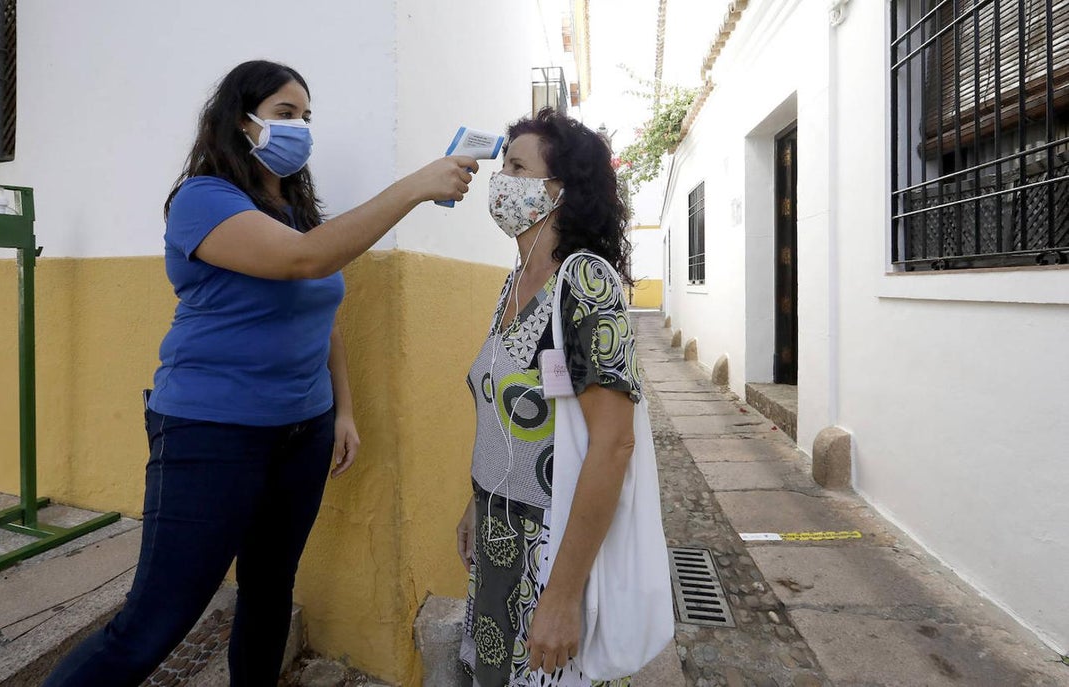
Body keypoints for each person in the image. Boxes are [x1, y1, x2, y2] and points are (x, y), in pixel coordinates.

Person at [43, 60, 476, 687]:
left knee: (270, 589)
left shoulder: (299, 212)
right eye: (284, 113)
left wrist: (343, 411)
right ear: (240, 121)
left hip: (302, 433)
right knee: (154, 623)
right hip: (210, 434)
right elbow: (303, 263)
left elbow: (324, 318)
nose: (300, 127)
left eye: (306, 116)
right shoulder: (203, 200)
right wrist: (413, 186)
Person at [456, 107, 640, 687]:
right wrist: (476, 501)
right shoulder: (511, 285)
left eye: (515, 167)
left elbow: (612, 446)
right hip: (497, 537)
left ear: (558, 191)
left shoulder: (585, 283)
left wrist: (561, 596)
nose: (499, 181)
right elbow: (505, 419)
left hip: (552, 549)